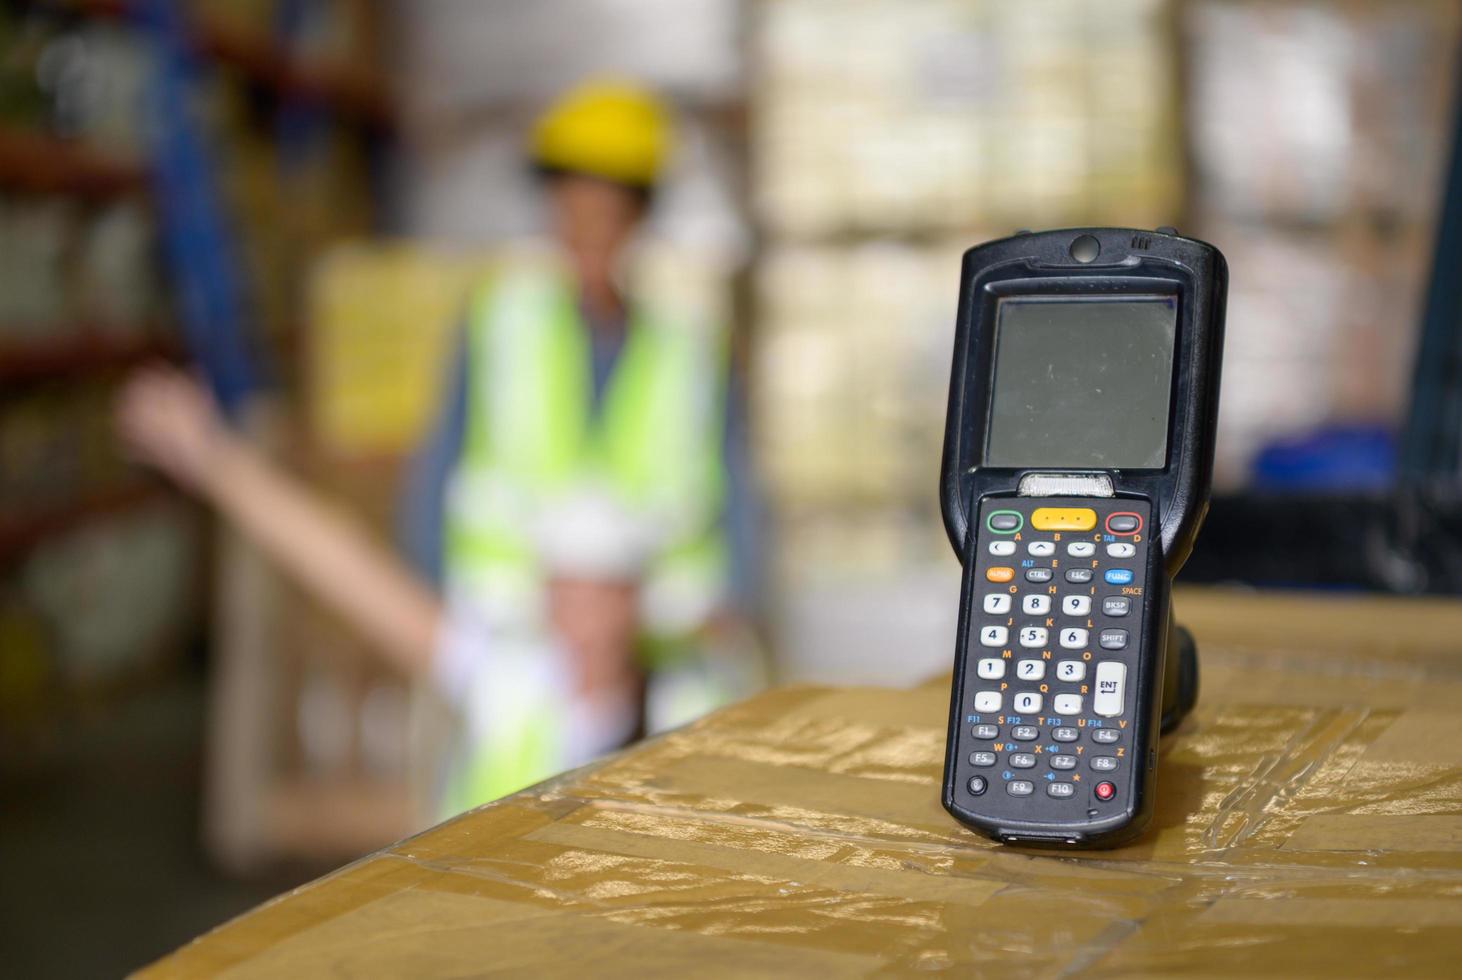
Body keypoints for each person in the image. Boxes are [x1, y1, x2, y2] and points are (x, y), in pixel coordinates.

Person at [117, 79, 755, 816]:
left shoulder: (699, 709)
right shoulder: (508, 675)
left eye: (595, 587)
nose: (573, 605)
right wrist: (211, 458)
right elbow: (344, 564)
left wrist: (722, 613)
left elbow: (737, 524)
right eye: (564, 583)